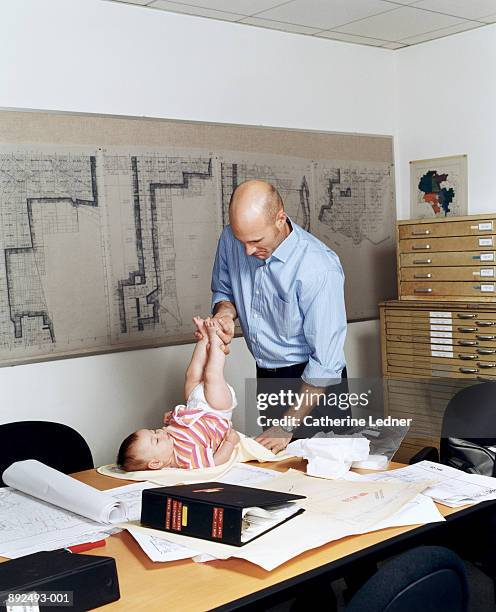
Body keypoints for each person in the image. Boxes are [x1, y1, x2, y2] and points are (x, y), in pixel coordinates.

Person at [209, 179, 348, 454]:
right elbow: (225, 289)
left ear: (280, 218)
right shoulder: (231, 238)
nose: (247, 251)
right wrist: (225, 314)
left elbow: (326, 363)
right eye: (242, 241)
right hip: (268, 376)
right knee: (277, 475)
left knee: (325, 476)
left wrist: (287, 425)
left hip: (315, 384)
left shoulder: (318, 268)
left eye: (256, 241)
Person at [117, 317, 239, 471]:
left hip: (195, 406)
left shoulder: (168, 435)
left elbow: (182, 424)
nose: (160, 433)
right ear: (156, 463)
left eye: (154, 431)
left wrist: (171, 418)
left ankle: (203, 339)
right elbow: (214, 462)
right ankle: (216, 340)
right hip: (216, 412)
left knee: (191, 376)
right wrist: (230, 443)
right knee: (211, 375)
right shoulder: (186, 458)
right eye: (156, 440)